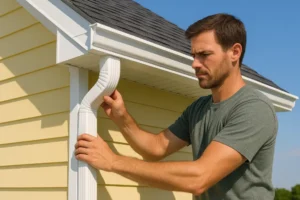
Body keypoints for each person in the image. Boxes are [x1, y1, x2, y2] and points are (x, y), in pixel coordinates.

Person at [75, 13, 278, 200]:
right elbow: (155, 148)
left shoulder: (254, 109)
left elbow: (199, 177)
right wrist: (122, 118)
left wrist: (113, 162)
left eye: (204, 54)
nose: (195, 64)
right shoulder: (199, 109)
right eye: (193, 56)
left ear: (234, 52)